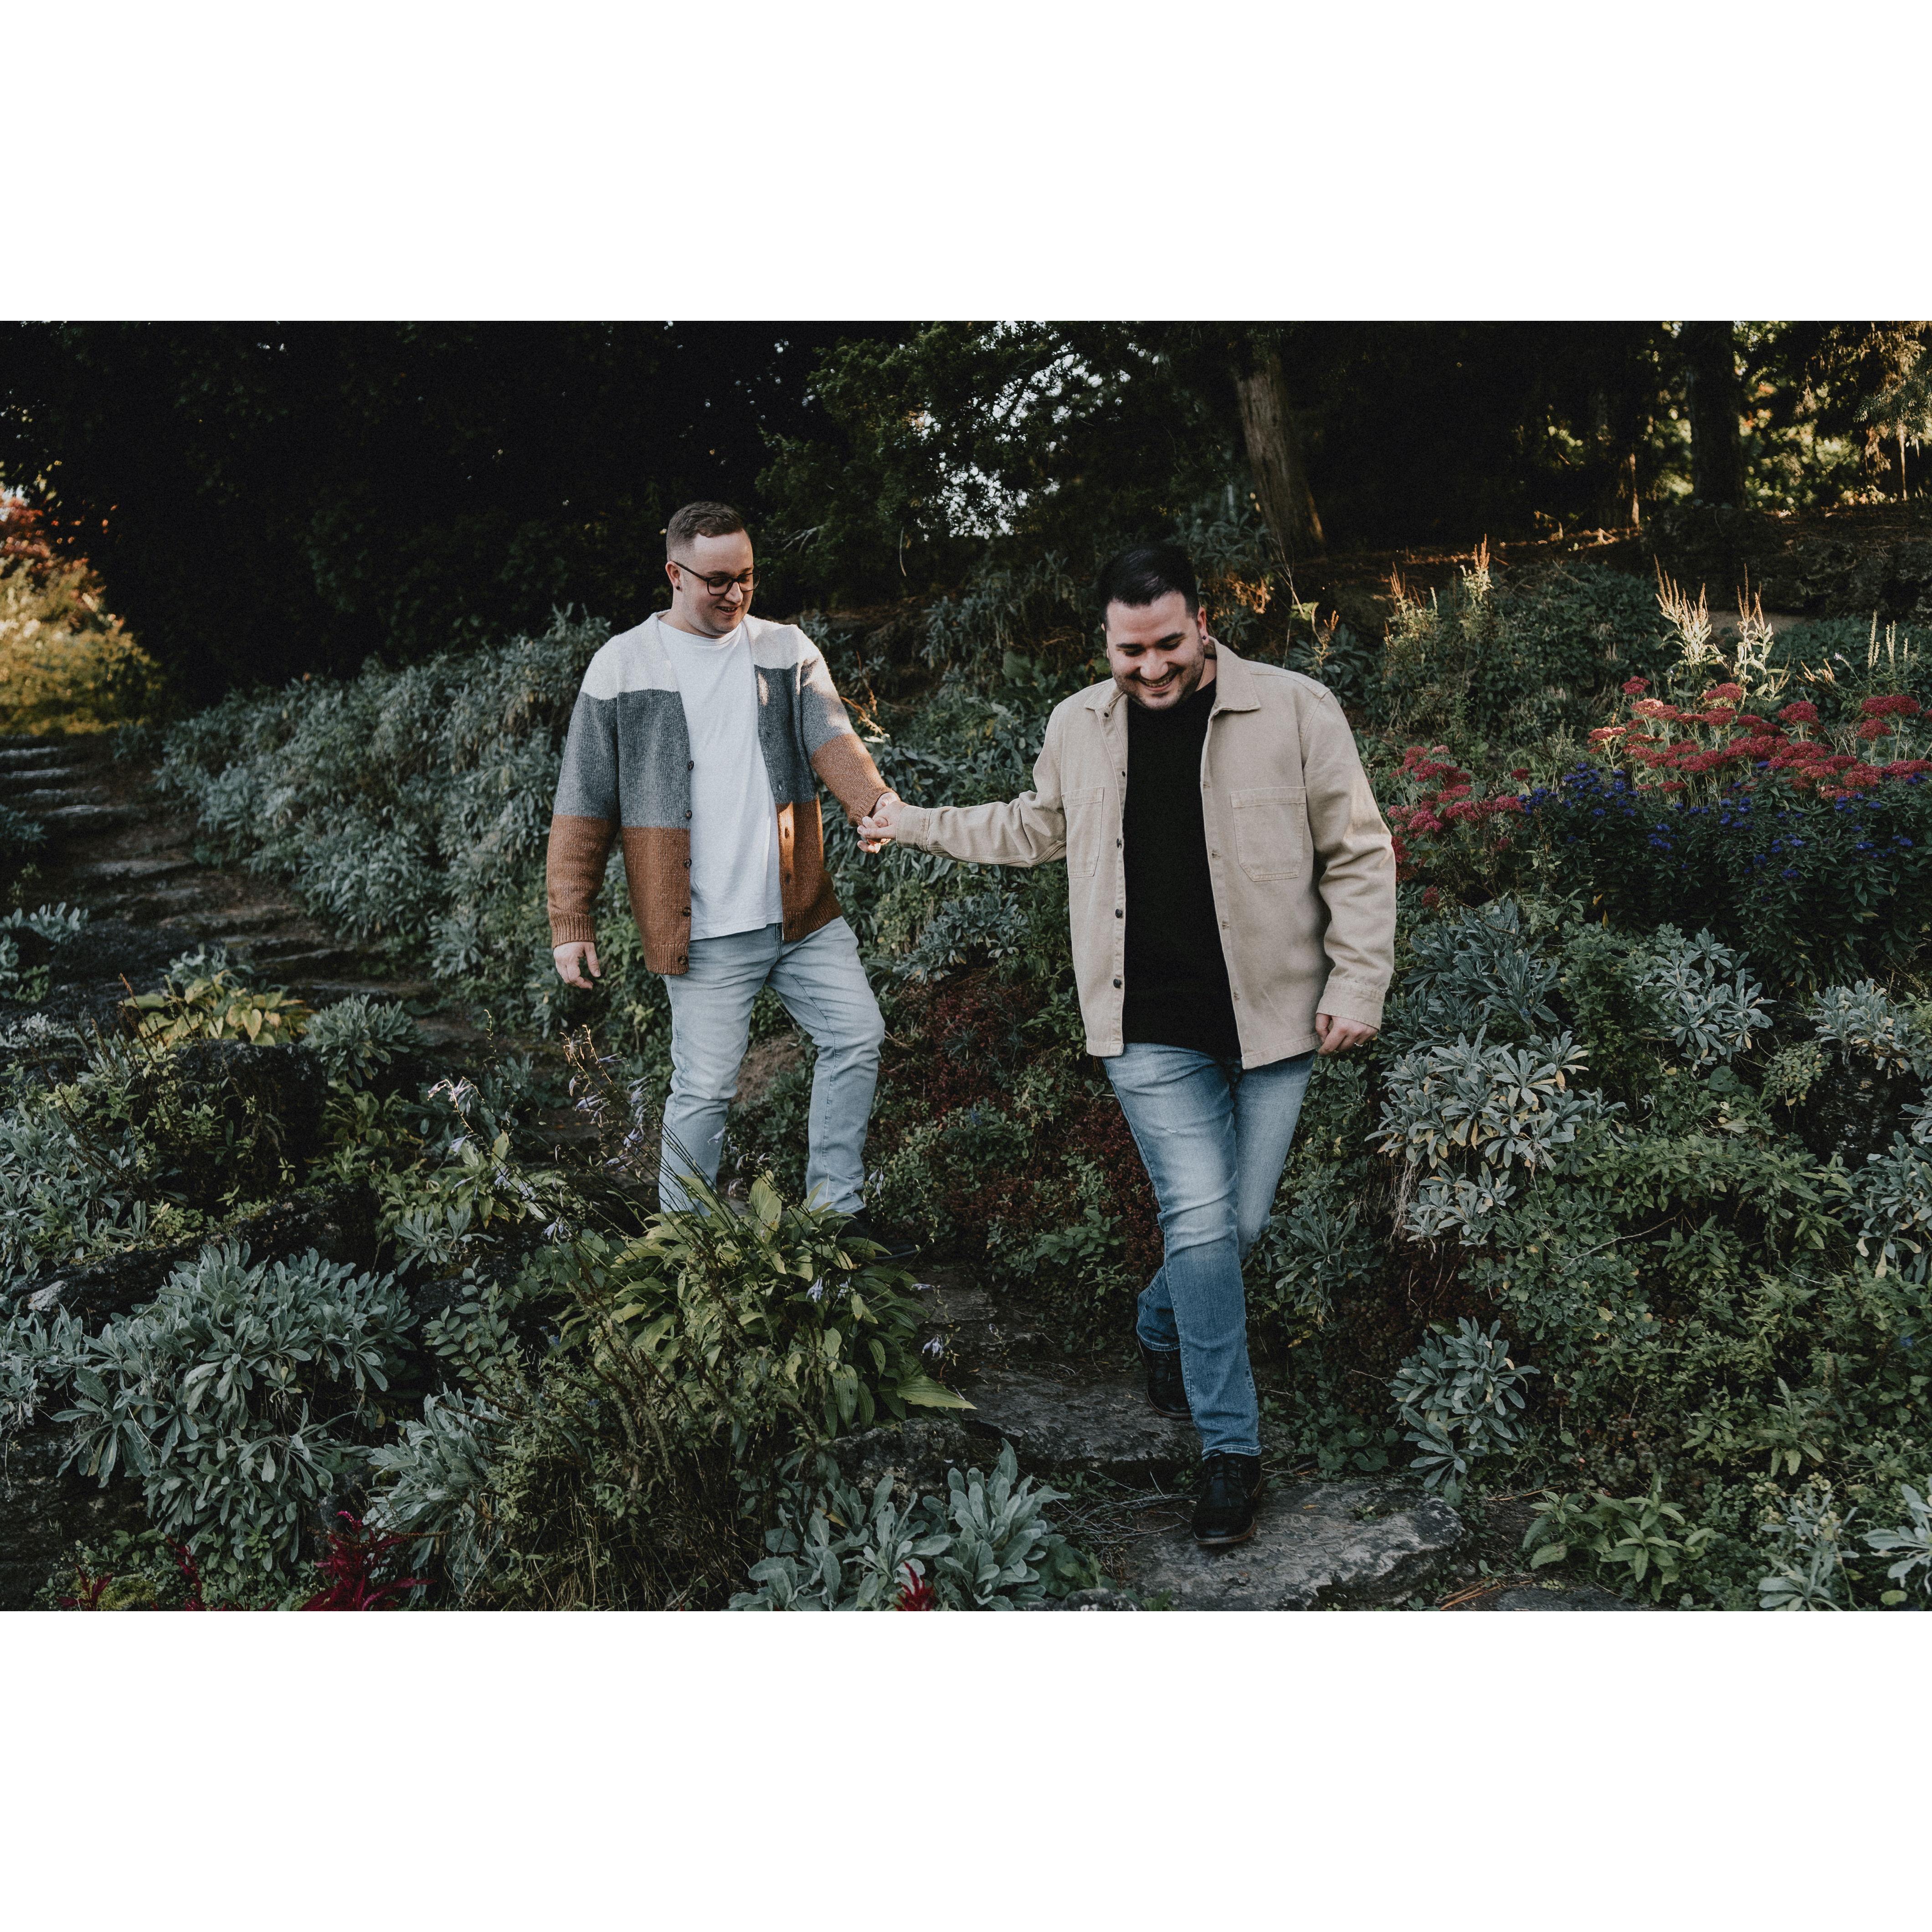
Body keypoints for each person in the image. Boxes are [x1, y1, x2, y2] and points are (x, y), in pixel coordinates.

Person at [859, 543, 1396, 1547]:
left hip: (1274, 1017)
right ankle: (1229, 1448)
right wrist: (913, 822)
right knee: (1198, 1218)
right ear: (1104, 642)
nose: (1150, 668)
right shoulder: (1077, 724)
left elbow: (1358, 851)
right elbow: (1032, 828)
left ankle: (1159, 1321)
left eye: (1166, 645)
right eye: (1128, 650)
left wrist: (1357, 980)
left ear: (1203, 623)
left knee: (1234, 1226)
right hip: (1143, 1025)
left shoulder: (1295, 708)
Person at [547, 499, 906, 1249]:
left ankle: (836, 1214)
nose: (735, 593)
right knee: (705, 1090)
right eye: (717, 580)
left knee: (858, 1037)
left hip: (801, 914)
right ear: (674, 574)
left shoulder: (785, 649)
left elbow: (832, 736)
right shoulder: (623, 664)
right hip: (704, 931)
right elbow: (584, 800)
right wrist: (571, 920)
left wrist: (872, 803)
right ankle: (683, 1246)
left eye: (746, 577)